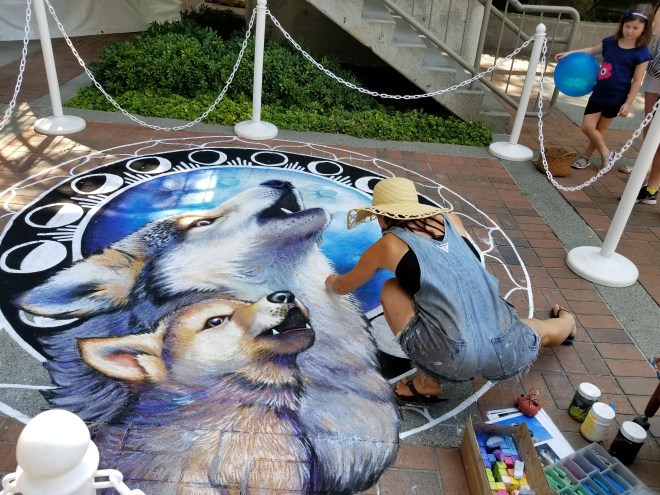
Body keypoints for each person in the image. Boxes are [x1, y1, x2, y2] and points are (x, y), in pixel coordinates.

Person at [324, 177, 577, 407]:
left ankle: (426, 383)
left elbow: (343, 287)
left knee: (392, 288)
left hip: (450, 358)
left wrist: (329, 279)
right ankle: (568, 323)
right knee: (540, 329)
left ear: (381, 216)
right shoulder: (451, 220)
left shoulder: (387, 245)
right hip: (505, 346)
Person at [555, 6, 652, 171]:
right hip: (599, 91)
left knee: (601, 129)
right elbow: (591, 50)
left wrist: (628, 103)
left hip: (617, 96)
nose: (630, 30)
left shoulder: (642, 52)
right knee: (587, 127)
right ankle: (607, 154)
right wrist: (571, 53)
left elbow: (637, 81)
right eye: (627, 26)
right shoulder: (610, 42)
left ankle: (587, 156)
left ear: (644, 29)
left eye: (635, 28)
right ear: (622, 25)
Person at [622, 3, 660, 174]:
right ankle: (645, 165)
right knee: (649, 120)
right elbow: (655, 31)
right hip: (655, 70)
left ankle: (653, 173)